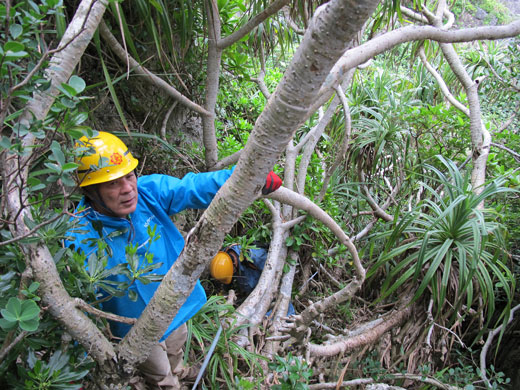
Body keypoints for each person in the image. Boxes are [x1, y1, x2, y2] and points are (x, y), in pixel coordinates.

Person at [66, 131, 282, 389]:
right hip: (136, 328)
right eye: (113, 183)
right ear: (90, 191)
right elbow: (77, 305)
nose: (127, 189)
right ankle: (169, 384)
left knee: (177, 342)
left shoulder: (147, 193)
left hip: (174, 303)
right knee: (158, 371)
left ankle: (179, 371)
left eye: (129, 176)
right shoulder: (80, 237)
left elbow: (190, 188)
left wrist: (243, 179)